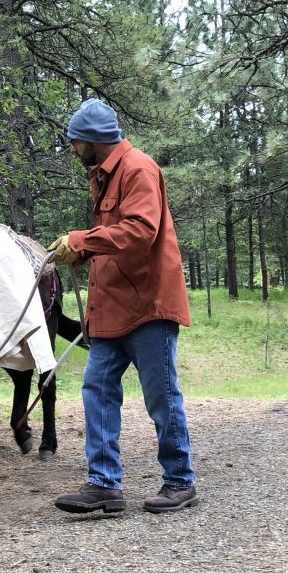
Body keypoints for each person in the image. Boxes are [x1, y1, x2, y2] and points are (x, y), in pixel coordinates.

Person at [48, 98, 198, 514]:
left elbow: (140, 231)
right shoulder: (104, 175)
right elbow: (113, 236)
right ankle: (103, 485)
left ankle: (180, 481)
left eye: (75, 142)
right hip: (112, 307)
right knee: (96, 387)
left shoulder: (137, 169)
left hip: (148, 305)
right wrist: (76, 254)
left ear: (92, 140)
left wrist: (82, 240)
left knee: (160, 394)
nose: (73, 150)